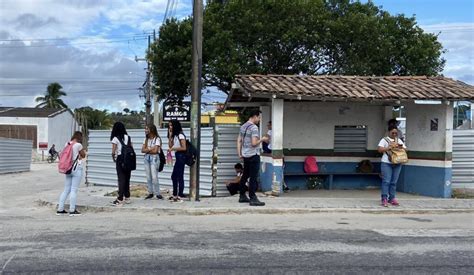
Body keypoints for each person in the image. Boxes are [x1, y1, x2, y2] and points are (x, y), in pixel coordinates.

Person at [236, 110, 268, 206]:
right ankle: (253, 198)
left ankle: (242, 195)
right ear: (254, 116)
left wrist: (239, 153)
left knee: (245, 175)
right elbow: (254, 143)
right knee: (253, 177)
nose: (259, 120)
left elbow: (239, 140)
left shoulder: (243, 126)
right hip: (253, 155)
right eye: (259, 117)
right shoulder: (254, 128)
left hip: (245, 155)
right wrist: (262, 139)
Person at [56, 131, 86, 216]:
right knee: (74, 190)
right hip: (76, 169)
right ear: (80, 137)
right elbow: (83, 155)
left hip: (67, 168)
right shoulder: (79, 145)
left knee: (66, 190)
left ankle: (60, 209)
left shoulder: (67, 144)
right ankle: (72, 210)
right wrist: (80, 154)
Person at [377, 125, 407, 207]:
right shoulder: (384, 140)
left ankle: (392, 198)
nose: (394, 134)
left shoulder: (399, 140)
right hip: (386, 163)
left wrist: (398, 146)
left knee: (394, 182)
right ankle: (384, 198)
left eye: (396, 133)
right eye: (393, 132)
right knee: (386, 181)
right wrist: (389, 147)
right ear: (389, 132)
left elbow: (405, 149)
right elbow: (379, 149)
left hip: (397, 163)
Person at [110, 122, 133, 207]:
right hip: (128, 160)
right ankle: (127, 197)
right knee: (127, 178)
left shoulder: (115, 138)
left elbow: (113, 151)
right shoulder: (128, 137)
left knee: (121, 179)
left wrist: (114, 158)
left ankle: (120, 198)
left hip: (120, 159)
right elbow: (131, 148)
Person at [142, 124, 163, 200]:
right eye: (145, 129)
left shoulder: (157, 139)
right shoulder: (146, 139)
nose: (146, 130)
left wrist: (147, 149)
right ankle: (150, 193)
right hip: (147, 158)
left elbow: (156, 151)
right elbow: (142, 150)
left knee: (154, 177)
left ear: (152, 129)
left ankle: (158, 193)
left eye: (147, 129)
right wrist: (151, 148)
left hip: (154, 158)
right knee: (148, 177)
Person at [168, 120, 187, 203]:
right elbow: (170, 145)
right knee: (174, 176)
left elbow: (184, 147)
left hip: (181, 156)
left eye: (171, 125)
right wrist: (170, 136)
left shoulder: (180, 135)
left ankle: (180, 194)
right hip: (177, 155)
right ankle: (175, 193)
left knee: (179, 176)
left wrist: (173, 149)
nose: (170, 127)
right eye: (169, 126)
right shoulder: (175, 136)